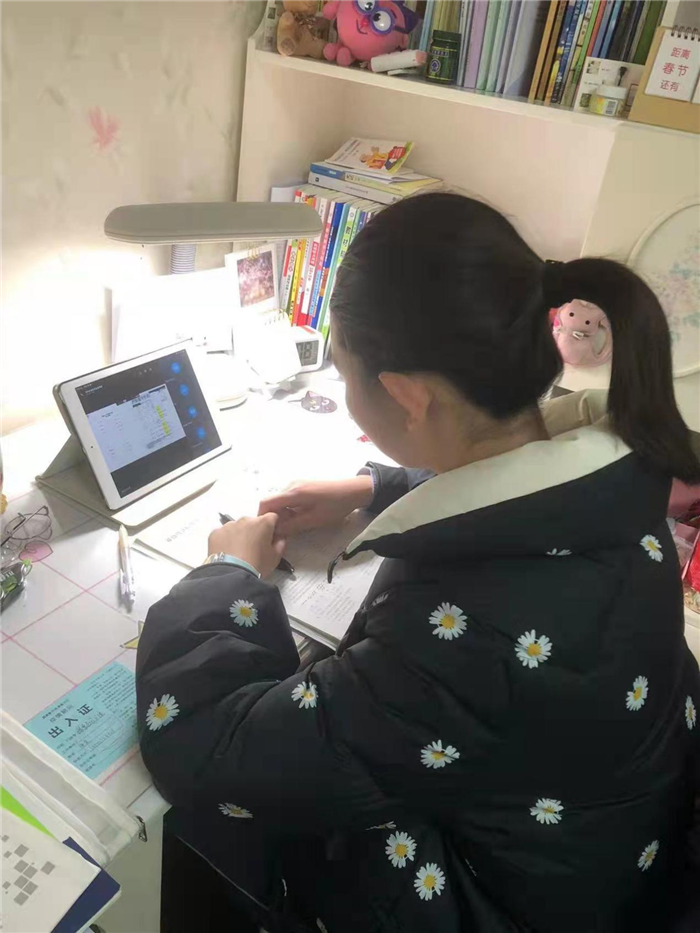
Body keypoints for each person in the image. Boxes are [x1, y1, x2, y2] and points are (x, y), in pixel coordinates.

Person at [136, 194, 700, 933]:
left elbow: (208, 747)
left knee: (206, 825)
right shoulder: (617, 490)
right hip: (605, 858)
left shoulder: (460, 639)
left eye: (346, 375)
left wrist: (228, 578)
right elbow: (508, 490)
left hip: (496, 905)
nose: (346, 393)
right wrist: (379, 487)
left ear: (406, 396)